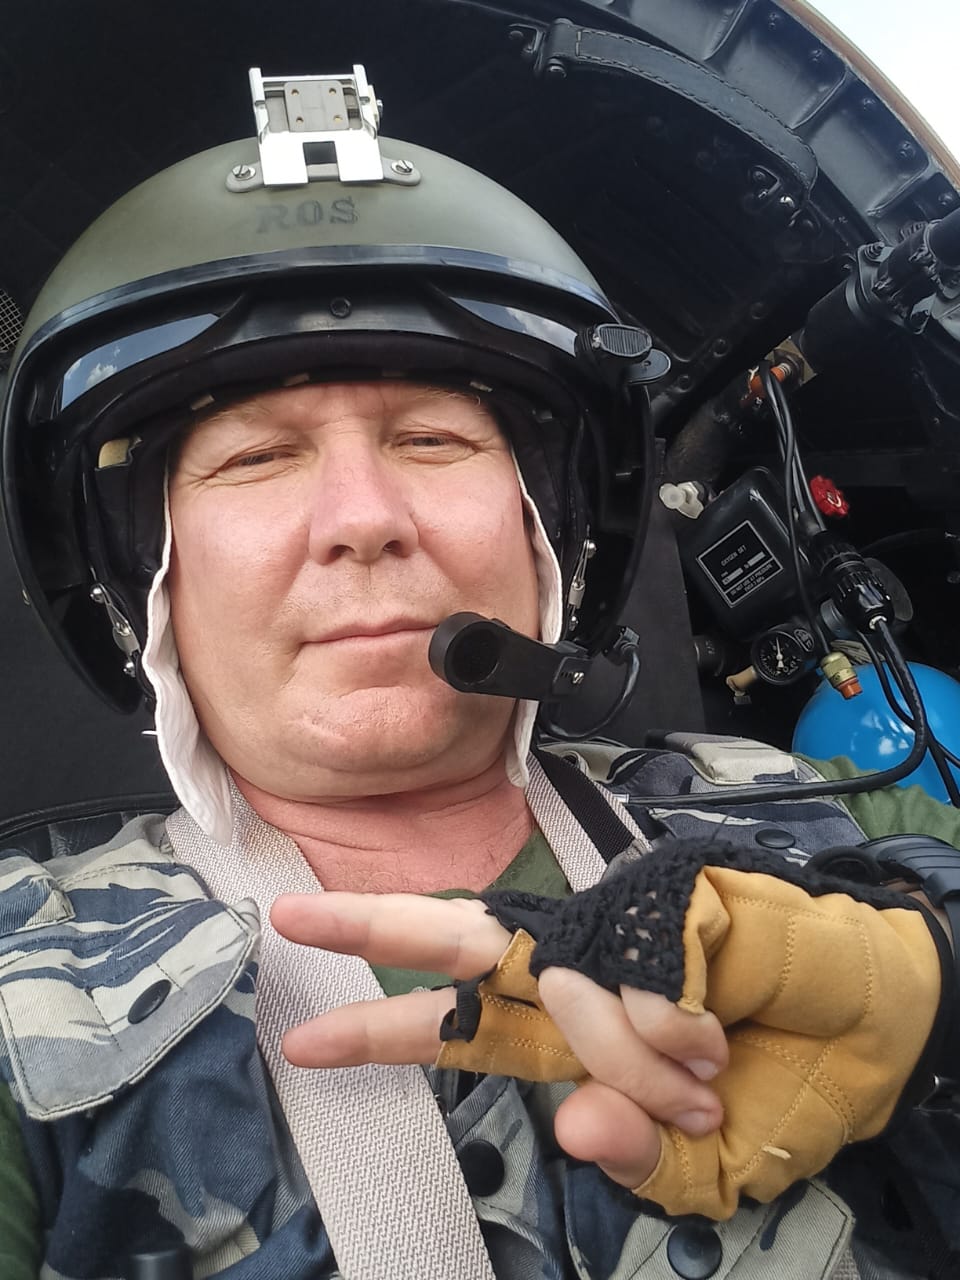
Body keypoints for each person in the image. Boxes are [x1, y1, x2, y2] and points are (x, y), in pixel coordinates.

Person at [1, 66, 958, 1280]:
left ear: (550, 533)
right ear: (148, 581)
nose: (362, 518)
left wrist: (937, 977)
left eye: (433, 438)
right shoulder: (27, 983)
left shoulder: (814, 813)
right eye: (255, 458)